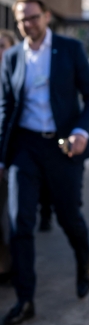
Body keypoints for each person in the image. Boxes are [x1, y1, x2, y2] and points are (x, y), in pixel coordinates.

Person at [0, 0, 89, 325]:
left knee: (69, 217)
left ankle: (85, 261)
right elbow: (6, 107)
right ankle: (25, 300)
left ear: (47, 16)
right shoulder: (13, 57)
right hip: (24, 147)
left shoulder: (70, 50)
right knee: (19, 224)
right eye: (22, 19)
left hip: (62, 146)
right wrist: (2, 156)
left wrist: (82, 132)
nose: (28, 24)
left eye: (33, 17)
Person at [0, 29, 16, 282]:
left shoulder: (18, 76)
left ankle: (10, 264)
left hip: (12, 156)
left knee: (12, 217)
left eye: (3, 46)